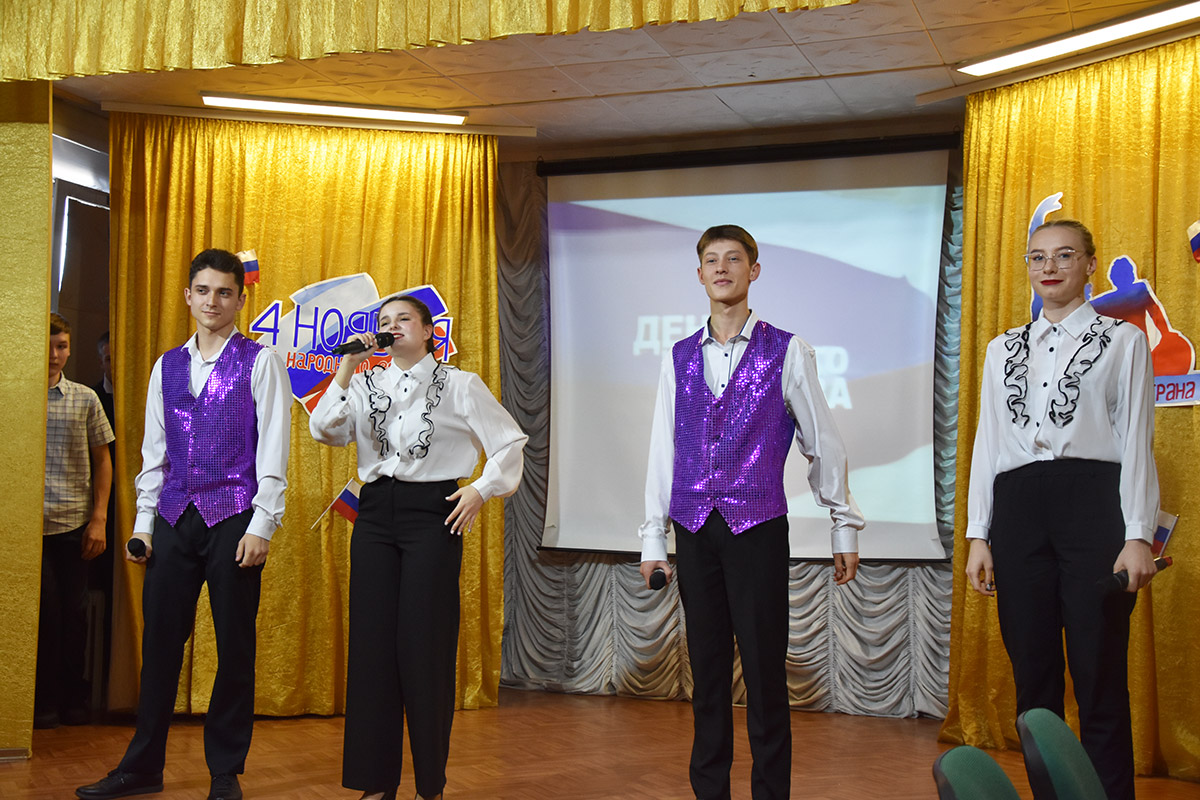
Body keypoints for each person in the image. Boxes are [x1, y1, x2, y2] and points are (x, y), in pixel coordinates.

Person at [639, 224, 865, 800]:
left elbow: (823, 442)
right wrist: (652, 538)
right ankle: (709, 791)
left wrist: (843, 524)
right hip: (694, 529)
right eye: (711, 260)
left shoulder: (787, 349)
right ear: (699, 274)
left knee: (765, 675)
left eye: (734, 259)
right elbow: (664, 448)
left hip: (758, 529)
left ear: (753, 271)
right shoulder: (678, 356)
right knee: (707, 672)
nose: (722, 268)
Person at [77, 249, 292, 800]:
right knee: (161, 645)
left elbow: (273, 448)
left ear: (240, 299)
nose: (212, 301)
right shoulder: (166, 365)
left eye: (224, 292)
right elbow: (154, 454)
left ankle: (225, 772)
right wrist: (144, 524)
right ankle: (142, 767)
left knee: (235, 646)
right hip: (174, 515)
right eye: (203, 291)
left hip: (236, 516)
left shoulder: (261, 361)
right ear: (188, 296)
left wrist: (263, 523)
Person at [964, 219, 1160, 800]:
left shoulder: (1122, 341)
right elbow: (987, 443)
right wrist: (979, 534)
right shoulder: (1002, 348)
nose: (1048, 267)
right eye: (1037, 257)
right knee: (1033, 674)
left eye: (1064, 255)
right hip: (1018, 511)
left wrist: (1138, 534)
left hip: (1093, 506)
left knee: (1100, 673)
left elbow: (1136, 441)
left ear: (1090, 265)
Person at [310, 294, 527, 800]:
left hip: (432, 514)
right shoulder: (363, 383)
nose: (392, 327)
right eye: (384, 321)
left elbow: (510, 441)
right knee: (372, 647)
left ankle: (430, 785)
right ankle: (375, 783)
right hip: (375, 514)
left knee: (425, 646)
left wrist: (480, 489)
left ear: (429, 331)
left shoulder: (459, 384)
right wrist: (347, 367)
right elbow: (324, 430)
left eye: (403, 319)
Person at [38, 312, 115, 729]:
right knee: (44, 614)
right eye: (48, 345)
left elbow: (103, 461)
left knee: (74, 614)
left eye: (62, 346)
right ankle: (42, 701)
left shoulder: (85, 399)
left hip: (73, 523)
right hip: (29, 528)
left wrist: (98, 519)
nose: (54, 354)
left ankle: (73, 698)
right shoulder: (16, 394)